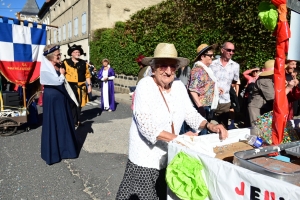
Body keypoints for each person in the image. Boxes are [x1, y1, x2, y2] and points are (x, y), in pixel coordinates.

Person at [116, 43, 228, 200]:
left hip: (170, 155)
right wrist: (181, 139)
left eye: (172, 66)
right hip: (146, 159)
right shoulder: (145, 86)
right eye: (163, 66)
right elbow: (147, 127)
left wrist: (210, 126)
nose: (168, 71)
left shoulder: (179, 87)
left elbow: (190, 114)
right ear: (154, 68)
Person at [40, 44, 79, 165]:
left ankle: (66, 150)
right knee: (54, 123)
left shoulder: (58, 65)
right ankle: (54, 153)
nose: (59, 56)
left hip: (61, 98)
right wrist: (62, 74)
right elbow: (56, 82)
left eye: (59, 54)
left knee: (63, 122)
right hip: (52, 99)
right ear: (51, 56)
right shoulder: (46, 69)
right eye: (57, 55)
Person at [248, 60, 296, 126]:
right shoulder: (264, 81)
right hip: (258, 109)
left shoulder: (272, 79)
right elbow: (275, 99)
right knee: (259, 131)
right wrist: (288, 88)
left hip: (266, 108)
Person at [187, 43, 220, 135]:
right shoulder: (198, 70)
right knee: (201, 133)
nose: (212, 57)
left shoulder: (205, 69)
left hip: (205, 106)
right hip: (200, 107)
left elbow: (203, 85)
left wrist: (215, 89)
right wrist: (200, 107)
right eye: (210, 55)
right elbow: (193, 90)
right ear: (202, 57)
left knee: (203, 131)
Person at [210, 42, 240, 129]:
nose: (231, 53)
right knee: (209, 125)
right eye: (229, 50)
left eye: (233, 51)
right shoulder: (212, 64)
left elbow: (234, 81)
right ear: (222, 50)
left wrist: (226, 87)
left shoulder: (235, 66)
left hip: (225, 101)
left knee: (223, 126)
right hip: (211, 99)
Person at [61, 44, 92, 127]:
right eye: (75, 52)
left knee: (79, 104)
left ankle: (77, 120)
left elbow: (87, 75)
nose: (77, 53)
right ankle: (72, 121)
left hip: (81, 87)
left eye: (78, 52)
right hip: (70, 86)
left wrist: (89, 85)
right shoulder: (66, 62)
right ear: (71, 53)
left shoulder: (83, 63)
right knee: (71, 104)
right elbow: (61, 75)